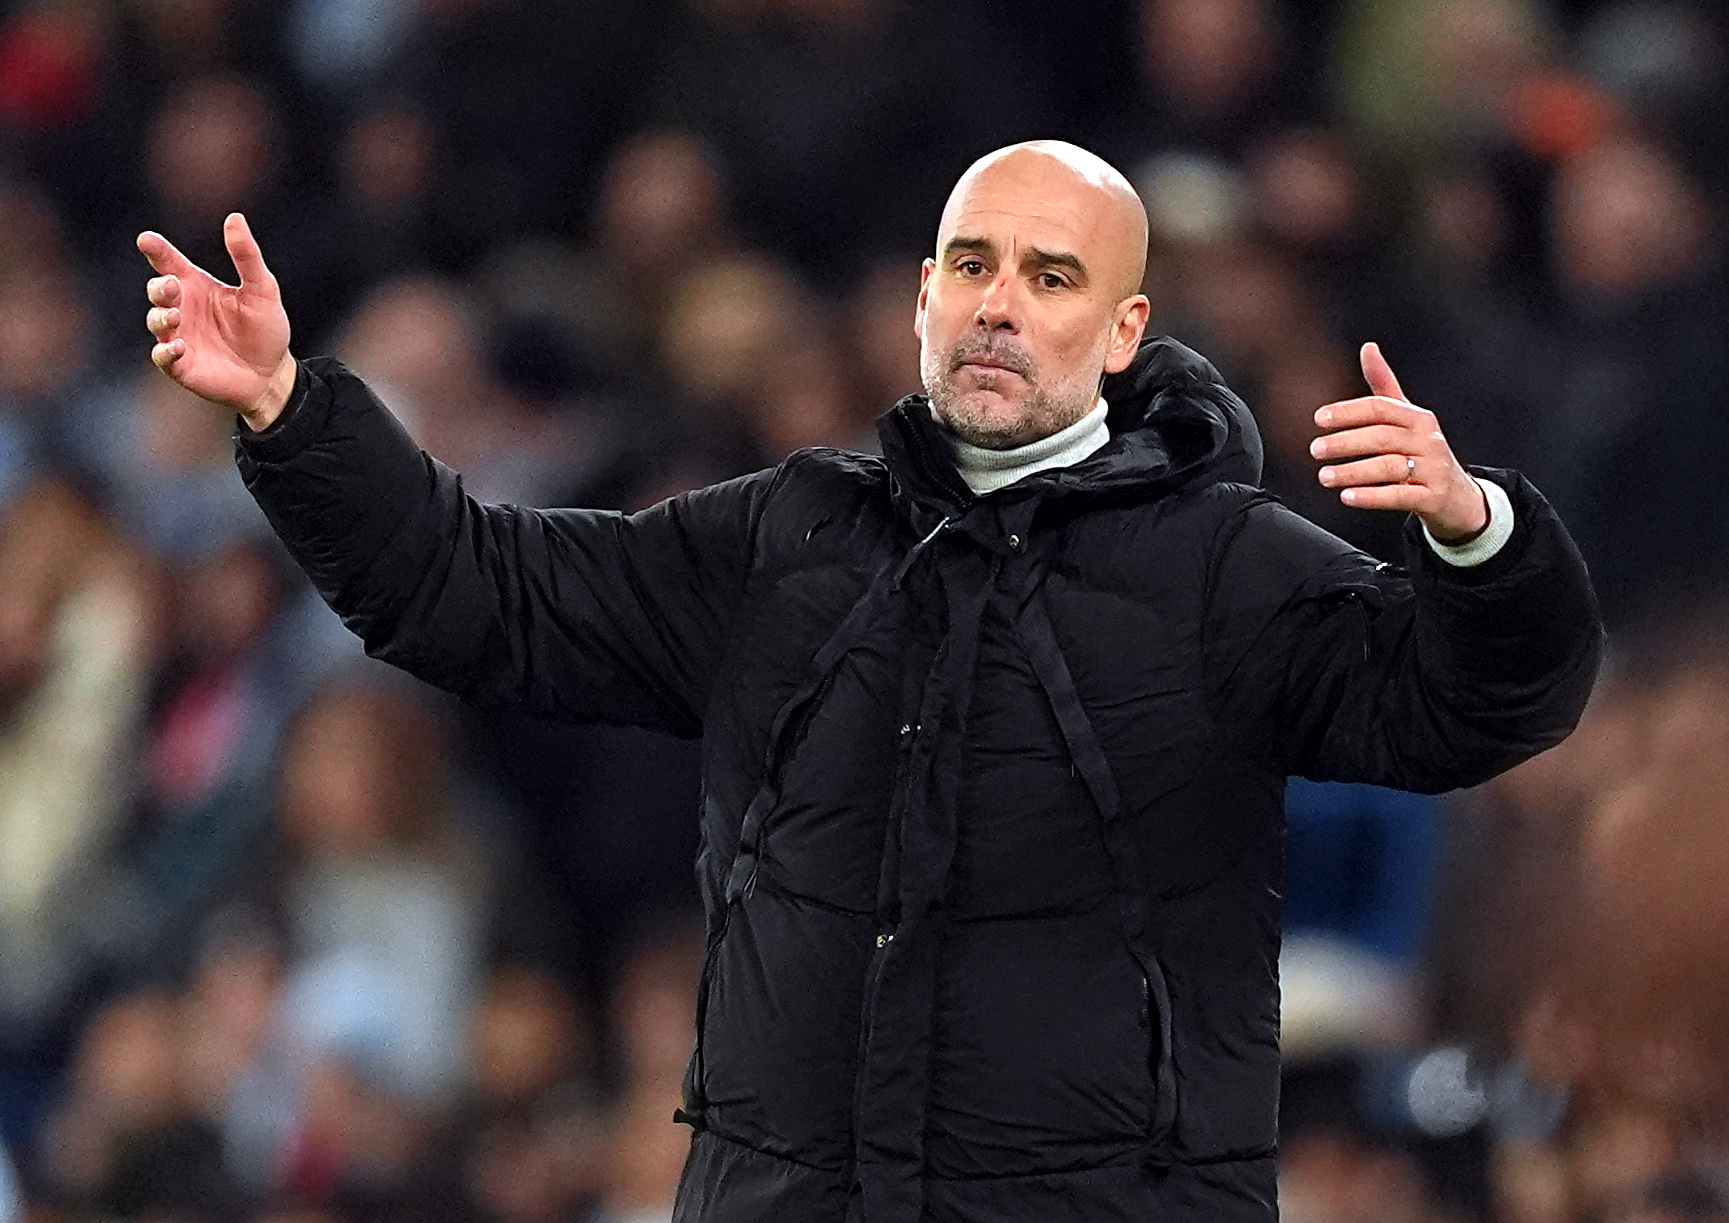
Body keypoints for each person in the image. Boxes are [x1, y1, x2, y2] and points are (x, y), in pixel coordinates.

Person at [137, 140, 1601, 1222]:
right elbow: (482, 593)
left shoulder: (1229, 567)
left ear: (1126, 332)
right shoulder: (789, 536)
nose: (1000, 305)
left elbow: (1473, 709)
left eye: (1051, 275)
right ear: (920, 298)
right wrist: (290, 407)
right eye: (972, 265)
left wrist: (1479, 535)